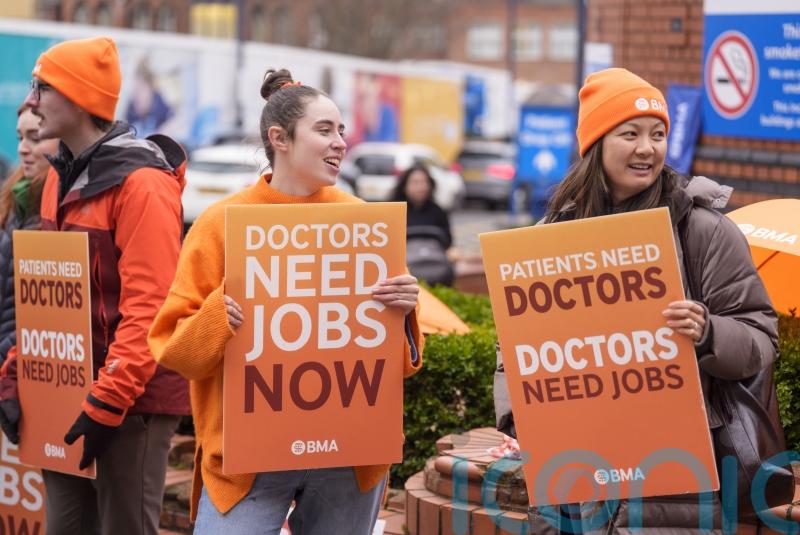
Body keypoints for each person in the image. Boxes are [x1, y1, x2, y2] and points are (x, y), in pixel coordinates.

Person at [493, 68, 784, 533]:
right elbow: (514, 350)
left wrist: (709, 332)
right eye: (630, 134)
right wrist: (520, 419)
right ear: (596, 145)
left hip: (675, 482)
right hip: (575, 478)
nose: (647, 148)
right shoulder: (552, 236)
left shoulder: (703, 231)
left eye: (658, 134)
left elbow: (760, 339)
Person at [148, 68, 424, 534]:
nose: (340, 142)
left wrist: (405, 310)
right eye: (324, 130)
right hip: (246, 461)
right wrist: (218, 316)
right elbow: (175, 353)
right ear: (279, 138)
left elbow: (399, 364)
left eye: (341, 130)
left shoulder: (363, 222)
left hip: (348, 457)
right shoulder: (220, 224)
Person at [0, 36, 190, 535]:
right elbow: (49, 300)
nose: (32, 99)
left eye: (43, 86)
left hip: (134, 400)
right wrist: (18, 369)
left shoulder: (143, 184)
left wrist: (108, 402)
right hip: (68, 390)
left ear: (81, 97)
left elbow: (150, 309)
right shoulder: (58, 180)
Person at [0, 103, 60, 367]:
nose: (23, 148)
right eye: (20, 138)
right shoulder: (12, 200)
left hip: (21, 369)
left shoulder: (62, 208)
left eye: (35, 138)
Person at [392, 164, 454, 286]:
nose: (421, 187)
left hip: (437, 269)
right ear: (404, 186)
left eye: (425, 182)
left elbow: (449, 243)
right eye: (415, 182)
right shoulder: (394, 211)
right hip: (404, 272)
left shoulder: (438, 211)